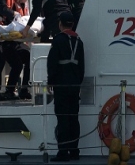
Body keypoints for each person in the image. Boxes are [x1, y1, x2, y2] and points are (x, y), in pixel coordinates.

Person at [47, 11, 85, 162]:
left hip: (61, 85)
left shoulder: (58, 40)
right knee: (73, 118)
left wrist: (51, 81)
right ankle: (75, 151)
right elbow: (82, 67)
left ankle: (63, 152)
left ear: (60, 24)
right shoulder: (79, 42)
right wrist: (78, 83)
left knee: (62, 118)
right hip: (74, 85)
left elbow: (52, 63)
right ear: (73, 24)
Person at [13, 0, 32, 99]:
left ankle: (25, 87)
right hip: (12, 42)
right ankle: (16, 89)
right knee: (22, 61)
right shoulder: (13, 6)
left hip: (21, 41)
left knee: (30, 55)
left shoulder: (24, 6)